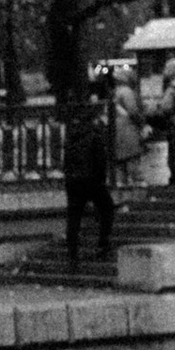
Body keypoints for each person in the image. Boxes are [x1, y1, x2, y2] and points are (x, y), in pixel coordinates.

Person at [61, 92, 115, 265]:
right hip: (91, 180)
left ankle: (72, 252)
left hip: (73, 181)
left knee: (74, 216)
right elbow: (101, 161)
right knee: (107, 208)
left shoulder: (71, 138)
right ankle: (103, 243)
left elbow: (66, 161)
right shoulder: (94, 136)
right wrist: (101, 180)